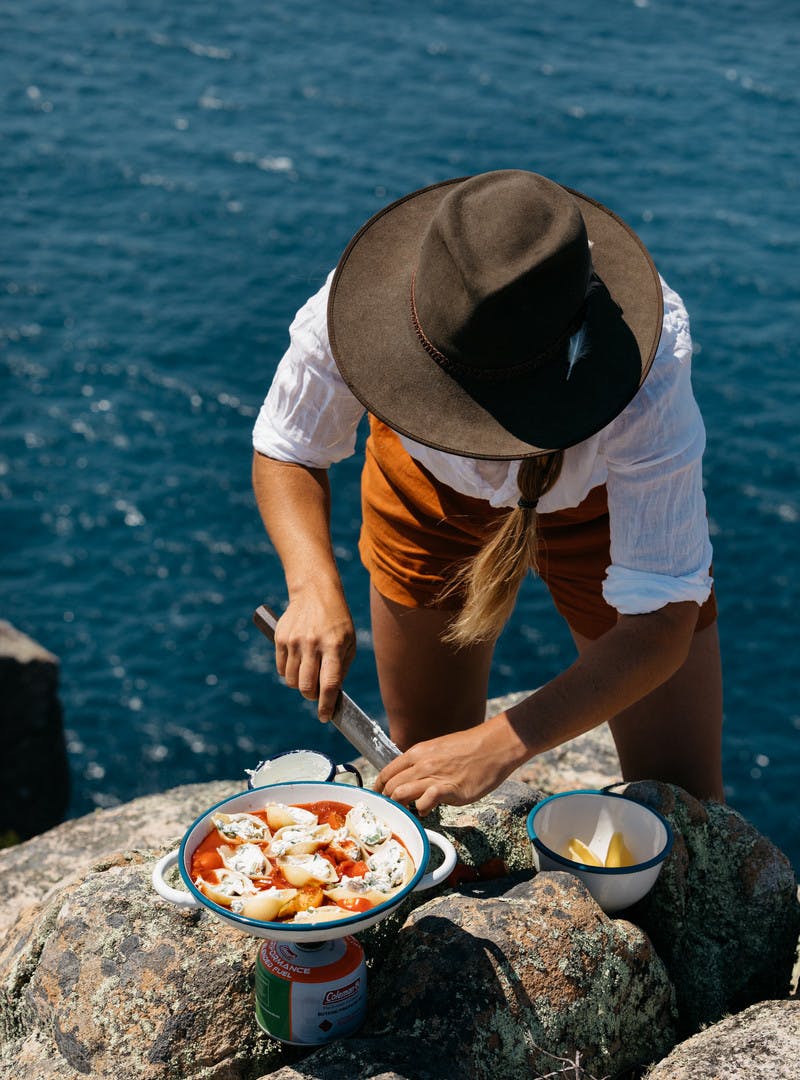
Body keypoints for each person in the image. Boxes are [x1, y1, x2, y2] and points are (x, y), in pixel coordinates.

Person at [252, 169, 724, 817]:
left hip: (599, 512)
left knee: (684, 800)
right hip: (424, 497)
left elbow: (661, 623)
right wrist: (311, 588)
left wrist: (502, 743)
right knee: (423, 774)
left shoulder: (650, 364)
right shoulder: (356, 303)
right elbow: (288, 446)